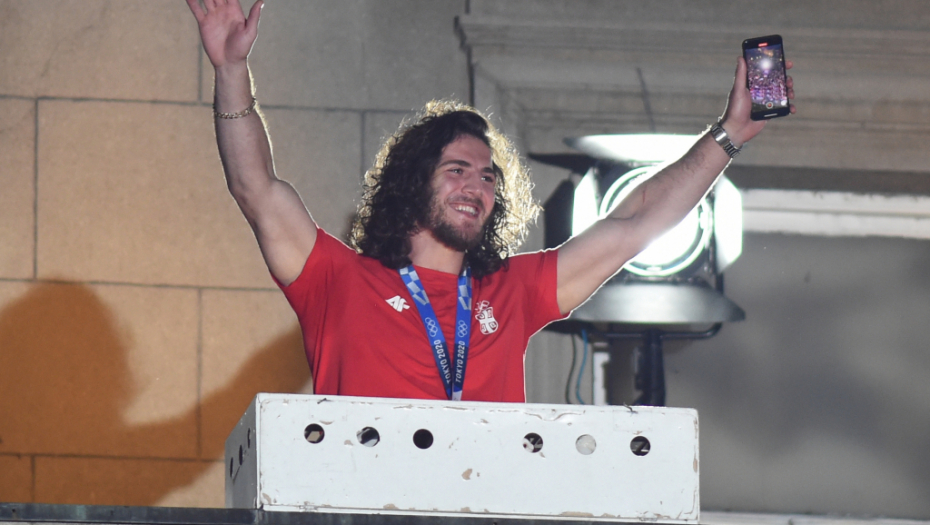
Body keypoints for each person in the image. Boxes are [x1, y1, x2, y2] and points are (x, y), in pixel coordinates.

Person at [186, 0, 795, 402]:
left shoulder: (513, 291)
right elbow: (255, 187)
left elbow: (633, 223)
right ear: (412, 182)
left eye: (487, 177)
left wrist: (728, 136)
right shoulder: (336, 279)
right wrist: (231, 69)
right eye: (457, 170)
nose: (476, 187)